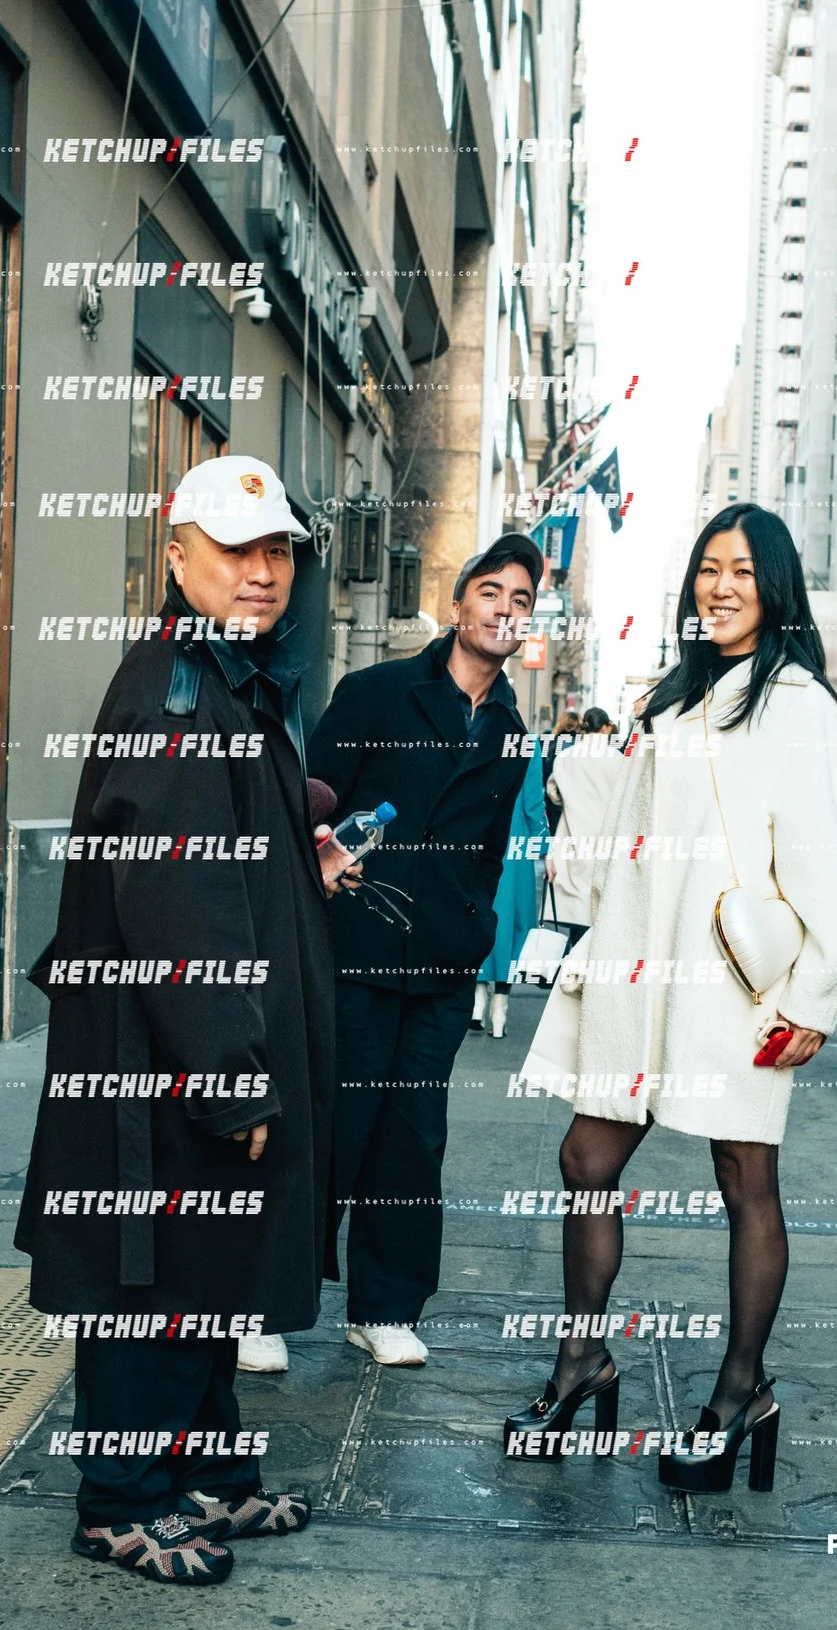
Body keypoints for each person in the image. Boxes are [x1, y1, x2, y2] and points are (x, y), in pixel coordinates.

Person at [15, 455, 349, 1586]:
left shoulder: (223, 674)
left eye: (277, 550)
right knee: (150, 1279)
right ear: (176, 554)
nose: (261, 571)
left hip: (208, 1040)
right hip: (164, 1059)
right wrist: (230, 1072)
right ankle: (120, 1501)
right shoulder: (175, 685)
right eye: (235, 548)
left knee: (213, 1266)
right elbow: (177, 902)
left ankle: (208, 1473)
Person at [513, 503, 837, 1490]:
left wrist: (814, 998)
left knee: (742, 1176)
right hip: (639, 971)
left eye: (743, 571)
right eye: (709, 567)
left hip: (734, 984)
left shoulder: (797, 704)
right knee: (585, 1156)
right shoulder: (675, 696)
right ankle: (581, 1362)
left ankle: (739, 1390)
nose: (720, 586)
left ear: (776, 588)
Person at [302, 532, 542, 1368]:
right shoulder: (377, 692)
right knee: (331, 1127)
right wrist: (325, 859)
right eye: (491, 591)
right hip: (356, 946)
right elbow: (312, 801)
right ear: (457, 603)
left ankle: (385, 1306)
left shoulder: (512, 730)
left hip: (441, 964)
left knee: (411, 1139)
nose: (503, 609)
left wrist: (475, 929)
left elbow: (487, 851)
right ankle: (266, 1303)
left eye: (520, 600)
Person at [478, 744, 549, 1037]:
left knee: (479, 912)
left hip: (477, 838)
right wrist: (544, 847)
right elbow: (533, 803)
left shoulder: (478, 735)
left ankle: (477, 997)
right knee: (511, 923)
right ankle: (500, 1008)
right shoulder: (528, 745)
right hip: (513, 843)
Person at [545, 706, 620, 951]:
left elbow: (553, 792)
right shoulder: (617, 759)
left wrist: (569, 801)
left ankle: (573, 954)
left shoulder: (565, 757)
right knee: (599, 903)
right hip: (605, 836)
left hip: (571, 833)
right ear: (605, 728)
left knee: (575, 905)